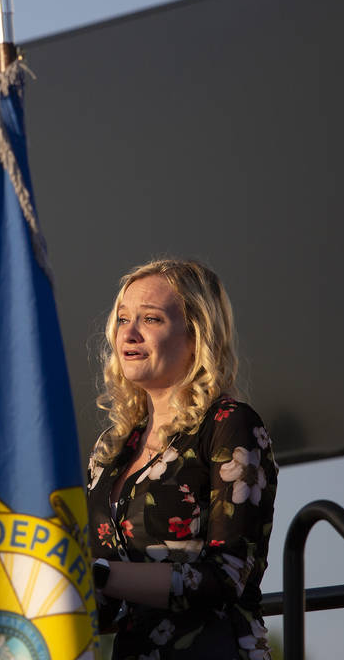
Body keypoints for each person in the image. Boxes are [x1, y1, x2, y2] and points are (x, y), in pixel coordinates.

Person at [86, 259, 278, 660]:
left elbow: (225, 576)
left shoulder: (230, 425)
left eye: (151, 319)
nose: (130, 333)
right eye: (123, 319)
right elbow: (101, 606)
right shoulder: (111, 449)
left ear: (196, 336)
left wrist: (99, 576)